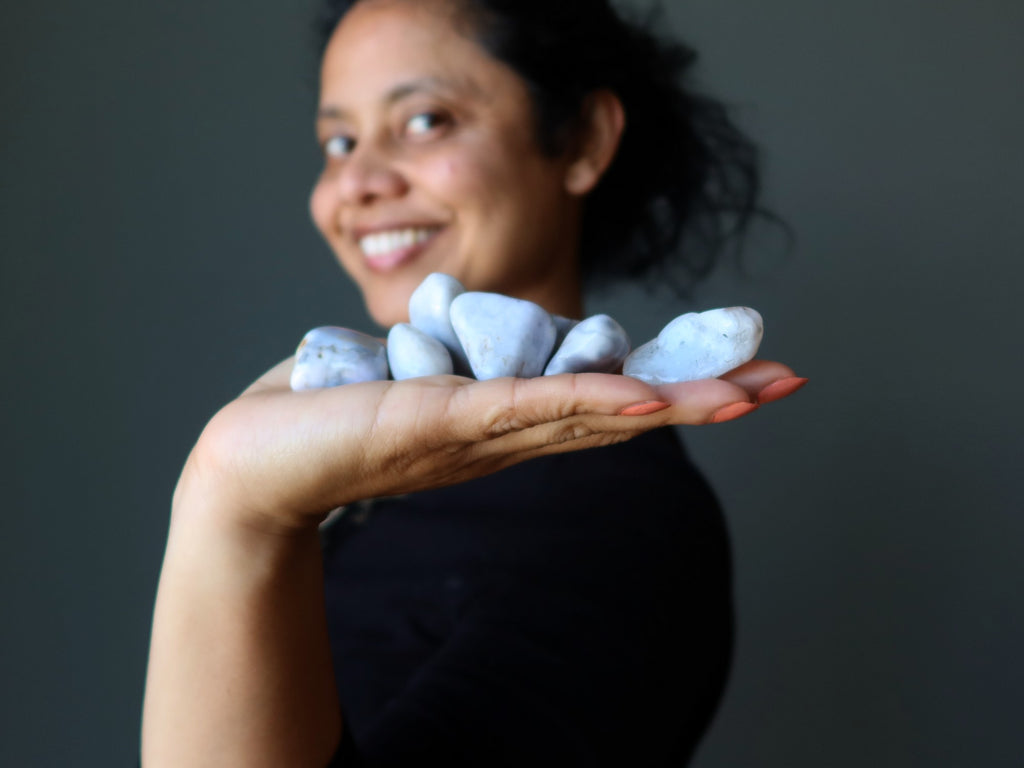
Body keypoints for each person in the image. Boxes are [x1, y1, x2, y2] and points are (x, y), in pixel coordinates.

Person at [140, 0, 807, 765]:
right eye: (339, 139)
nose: (353, 182)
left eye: (425, 120)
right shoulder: (359, 493)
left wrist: (235, 511)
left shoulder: (625, 527)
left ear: (584, 140)